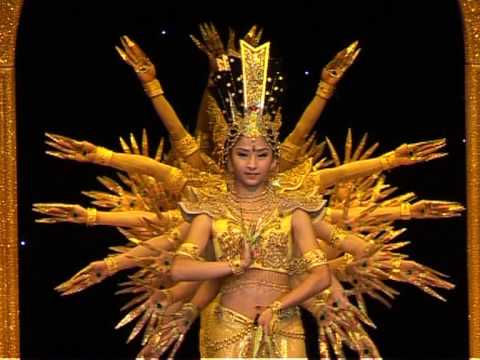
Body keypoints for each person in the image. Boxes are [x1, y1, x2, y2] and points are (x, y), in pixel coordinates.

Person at [33, 24, 462, 358]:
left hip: (286, 319)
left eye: (260, 154)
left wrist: (298, 295)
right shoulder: (206, 205)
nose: (252, 164)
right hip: (226, 322)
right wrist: (226, 267)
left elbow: (322, 270)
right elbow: (180, 269)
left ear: (275, 159)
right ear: (228, 159)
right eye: (242, 154)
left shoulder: (295, 206)